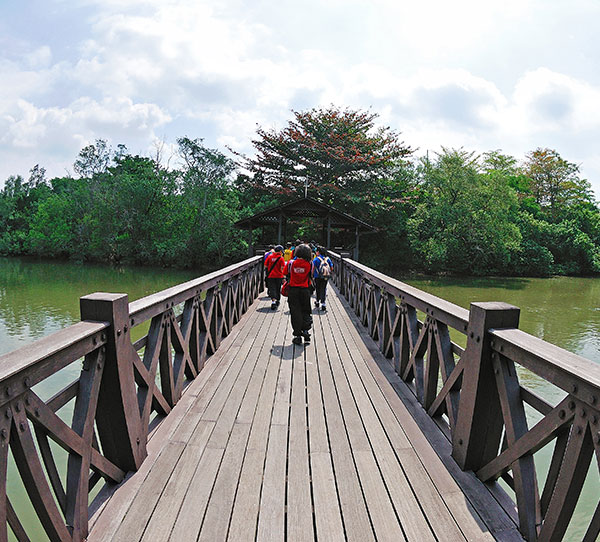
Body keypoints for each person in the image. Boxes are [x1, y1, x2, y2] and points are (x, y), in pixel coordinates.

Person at [285, 243, 313, 345]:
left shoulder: (291, 263)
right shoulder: (310, 264)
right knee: (306, 310)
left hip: (293, 290)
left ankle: (297, 335)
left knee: (295, 312)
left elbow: (285, 273)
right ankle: (306, 331)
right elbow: (312, 275)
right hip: (305, 290)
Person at [312, 246, 333, 311]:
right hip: (325, 276)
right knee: (323, 288)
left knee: (317, 288)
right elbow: (331, 268)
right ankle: (323, 303)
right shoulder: (328, 259)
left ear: (318, 252)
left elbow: (312, 268)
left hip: (317, 276)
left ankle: (317, 301)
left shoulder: (316, 259)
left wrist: (312, 275)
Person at [264, 245, 285, 309]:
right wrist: (284, 277)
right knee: (278, 288)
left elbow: (265, 265)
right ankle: (277, 300)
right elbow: (282, 268)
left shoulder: (270, 257)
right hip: (279, 276)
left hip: (271, 276)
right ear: (280, 251)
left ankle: (273, 302)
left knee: (272, 288)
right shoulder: (281, 258)